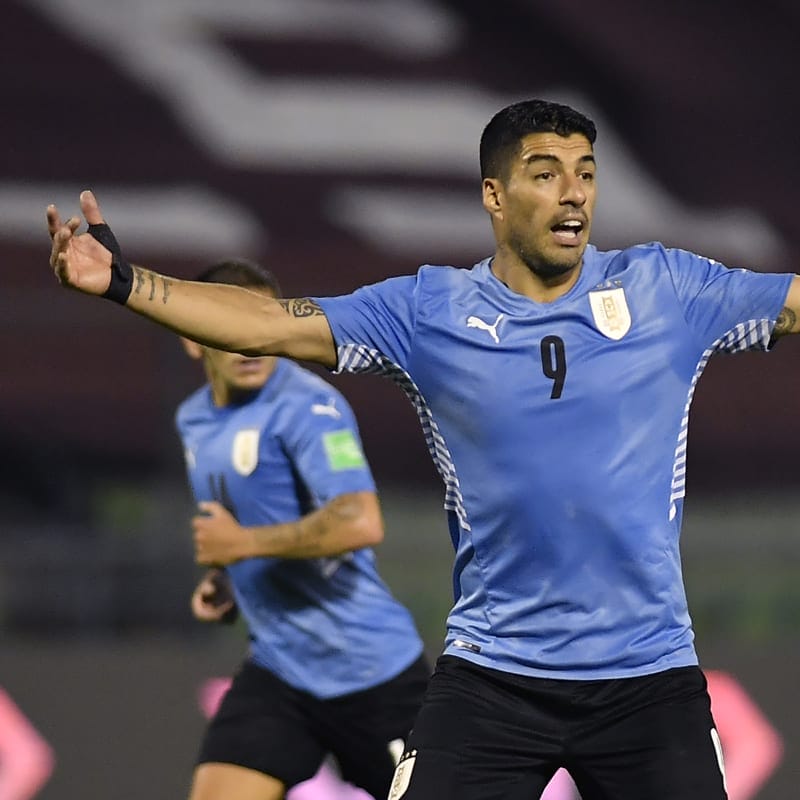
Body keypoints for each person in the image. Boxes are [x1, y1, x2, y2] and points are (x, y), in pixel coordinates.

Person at [46, 98, 800, 800]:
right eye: (546, 175)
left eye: (586, 174)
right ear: (495, 196)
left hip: (649, 674)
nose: (574, 194)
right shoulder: (427, 312)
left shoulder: (667, 290)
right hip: (495, 677)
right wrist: (123, 281)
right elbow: (270, 323)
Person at [172, 258, 429, 800]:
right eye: (229, 326)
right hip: (280, 670)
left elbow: (359, 520)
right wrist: (227, 575)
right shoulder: (193, 419)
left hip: (370, 673)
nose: (249, 343)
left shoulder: (308, 407)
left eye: (260, 322)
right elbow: (243, 517)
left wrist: (242, 546)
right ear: (193, 338)